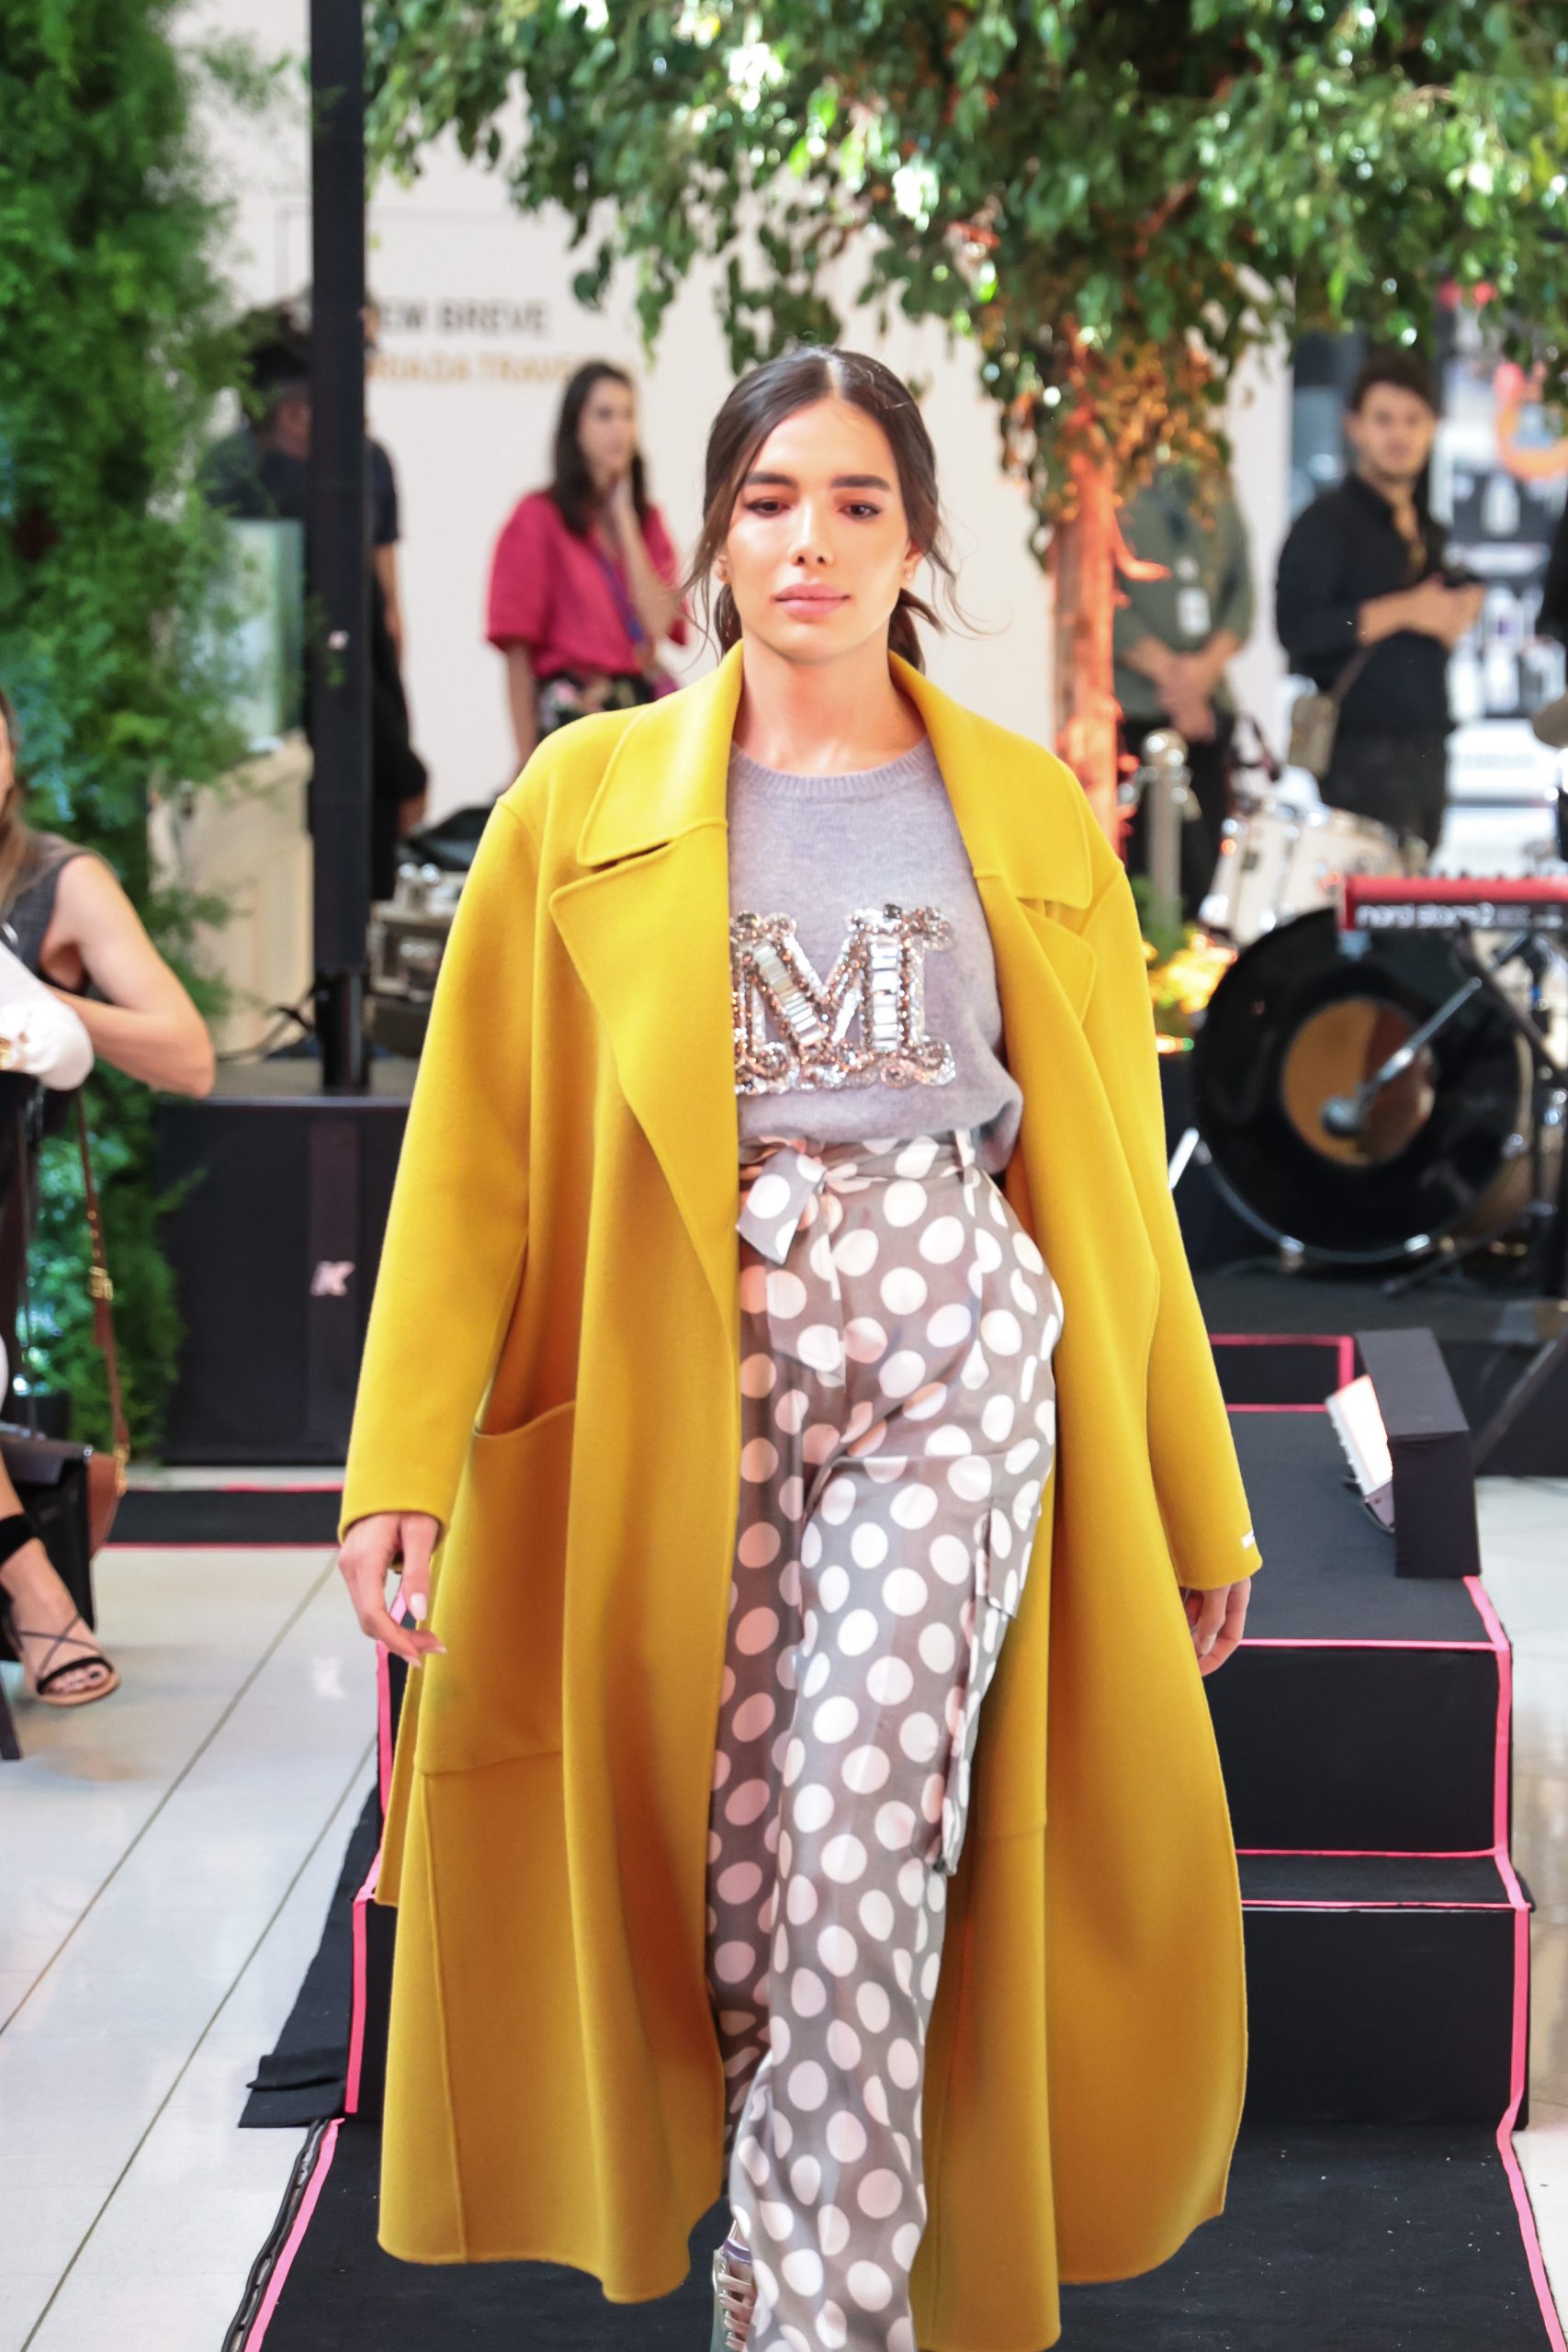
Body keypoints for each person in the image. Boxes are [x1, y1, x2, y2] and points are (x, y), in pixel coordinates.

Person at [337, 348, 1258, 2352]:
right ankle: (779, 2255)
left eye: (856, 501)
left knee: (856, 1838)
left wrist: (1197, 1492)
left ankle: (822, 2320)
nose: (811, 541)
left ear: (915, 539)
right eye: (769, 499)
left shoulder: (1022, 809)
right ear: (713, 534)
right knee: (734, 1878)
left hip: (945, 1340)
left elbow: (1116, 1180)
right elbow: (471, 1152)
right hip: (685, 1356)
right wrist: (399, 1460)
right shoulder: (580, 805)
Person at [0, 683, 215, 1708]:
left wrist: (34, 999)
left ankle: (33, 1589)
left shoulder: (57, 882)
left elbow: (189, 1055)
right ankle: (30, 1584)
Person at [201, 313, 428, 900]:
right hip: (322, 762)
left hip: (277, 764)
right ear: (296, 415)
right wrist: (405, 768)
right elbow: (349, 655)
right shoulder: (306, 504)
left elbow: (381, 626)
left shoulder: (345, 474)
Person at [1275, 349, 1483, 851]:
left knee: (1420, 888)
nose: (1399, 435)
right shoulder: (1326, 524)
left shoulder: (1426, 528)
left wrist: (1459, 607)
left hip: (1429, 744)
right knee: (1383, 898)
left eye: (1413, 420)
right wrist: (1404, 611)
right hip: (1360, 752)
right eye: (1384, 420)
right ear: (1355, 427)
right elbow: (1298, 630)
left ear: (1433, 427)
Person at [487, 360, 687, 772]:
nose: (620, 429)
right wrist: (524, 757)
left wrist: (625, 521)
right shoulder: (538, 517)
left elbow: (658, 624)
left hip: (636, 707)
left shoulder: (646, 521)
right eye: (604, 415)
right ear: (574, 427)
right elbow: (517, 649)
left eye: (628, 414)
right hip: (573, 711)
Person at [1114, 463, 1254, 914]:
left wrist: (1202, 674)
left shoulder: (1213, 483)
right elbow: (1097, 596)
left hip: (1205, 717)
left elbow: (1242, 596)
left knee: (1205, 878)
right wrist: (1175, 679)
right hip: (1134, 715)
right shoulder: (1112, 482)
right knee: (1134, 884)